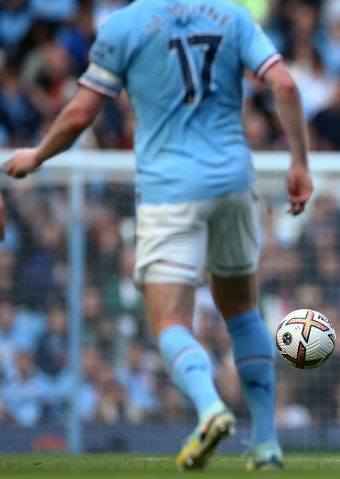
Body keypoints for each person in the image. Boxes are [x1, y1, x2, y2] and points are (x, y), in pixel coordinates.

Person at [4, 0, 312, 471]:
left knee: (169, 321)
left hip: (170, 192)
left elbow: (78, 115)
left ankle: (210, 408)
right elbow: (285, 85)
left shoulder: (124, 26)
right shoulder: (232, 17)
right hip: (233, 182)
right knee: (243, 313)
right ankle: (267, 443)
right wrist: (299, 164)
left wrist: (38, 155)